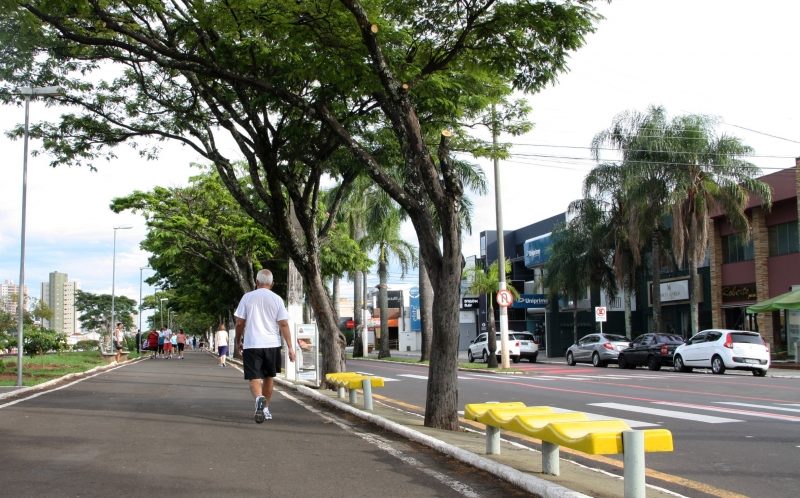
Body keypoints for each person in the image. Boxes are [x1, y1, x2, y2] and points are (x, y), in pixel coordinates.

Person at [234, 269, 295, 423]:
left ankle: (259, 398)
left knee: (254, 376)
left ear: (256, 282)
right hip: (272, 344)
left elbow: (240, 322)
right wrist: (290, 347)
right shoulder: (277, 299)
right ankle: (266, 408)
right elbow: (284, 324)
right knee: (269, 376)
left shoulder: (247, 297)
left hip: (252, 344)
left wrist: (238, 340)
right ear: (272, 284)